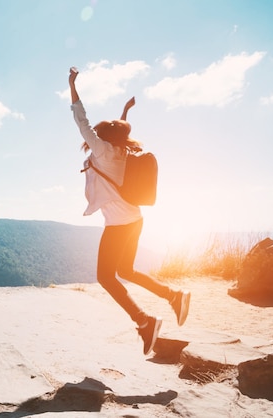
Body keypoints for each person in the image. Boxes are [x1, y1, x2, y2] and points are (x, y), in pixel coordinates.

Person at [68, 66, 190, 355]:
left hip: (120, 224)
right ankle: (174, 296)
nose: (93, 133)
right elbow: (118, 131)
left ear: (102, 137)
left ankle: (145, 322)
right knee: (126, 270)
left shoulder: (102, 150)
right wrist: (125, 112)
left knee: (106, 277)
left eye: (98, 132)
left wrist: (72, 84)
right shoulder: (121, 151)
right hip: (135, 220)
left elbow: (80, 117)